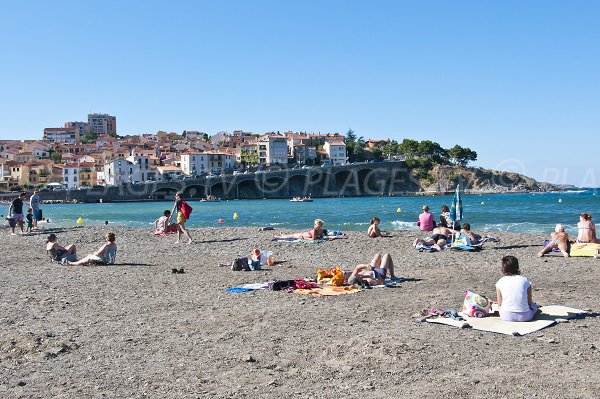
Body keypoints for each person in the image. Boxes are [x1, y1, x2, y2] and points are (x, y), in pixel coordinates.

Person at [495, 255, 539, 322]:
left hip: (506, 316)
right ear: (517, 267)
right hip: (525, 316)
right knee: (535, 307)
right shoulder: (525, 281)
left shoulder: (500, 282)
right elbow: (529, 302)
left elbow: (500, 304)